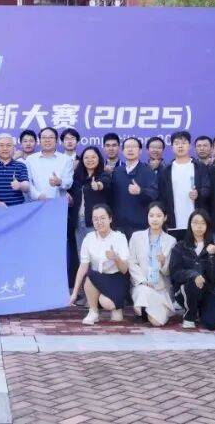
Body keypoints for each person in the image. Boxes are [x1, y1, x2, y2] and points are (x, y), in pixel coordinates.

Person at [70, 204, 130, 325]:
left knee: (110, 307)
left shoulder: (119, 237)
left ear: (110, 219)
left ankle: (116, 307)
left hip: (116, 278)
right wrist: (74, 293)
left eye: (103, 218)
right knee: (90, 275)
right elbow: (83, 267)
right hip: (97, 277)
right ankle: (93, 311)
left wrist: (116, 258)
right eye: (95, 219)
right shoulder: (89, 238)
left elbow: (124, 270)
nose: (99, 222)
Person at [169, 210, 215, 330]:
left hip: (207, 290)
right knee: (193, 282)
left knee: (214, 323)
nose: (199, 226)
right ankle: (190, 315)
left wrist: (211, 256)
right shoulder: (180, 246)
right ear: (190, 225)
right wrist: (194, 275)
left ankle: (201, 310)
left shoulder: (213, 248)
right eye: (195, 222)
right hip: (186, 289)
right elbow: (175, 273)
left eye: (203, 223)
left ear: (207, 225)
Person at [68, 147, 111, 287]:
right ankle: (86, 289)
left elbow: (104, 183)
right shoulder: (76, 177)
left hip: (95, 223)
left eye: (93, 157)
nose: (90, 160)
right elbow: (69, 192)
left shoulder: (104, 175)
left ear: (99, 159)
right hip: (78, 222)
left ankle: (100, 288)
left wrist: (97, 185)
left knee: (97, 257)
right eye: (86, 157)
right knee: (83, 257)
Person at [128, 202, 177, 326]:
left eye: (159, 216)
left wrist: (163, 261)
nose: (155, 219)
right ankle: (143, 307)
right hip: (142, 286)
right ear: (147, 217)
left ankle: (145, 309)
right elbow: (132, 262)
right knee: (143, 292)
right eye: (151, 215)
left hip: (161, 289)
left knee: (157, 322)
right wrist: (143, 281)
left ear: (165, 218)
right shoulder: (136, 237)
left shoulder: (171, 241)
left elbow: (168, 271)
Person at [157, 131, 210, 239]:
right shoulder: (166, 170)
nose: (180, 146)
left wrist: (198, 193)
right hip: (173, 224)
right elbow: (161, 196)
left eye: (184, 143)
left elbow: (208, 189)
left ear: (189, 146)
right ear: (172, 147)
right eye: (176, 143)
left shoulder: (200, 167)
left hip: (196, 223)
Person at [110, 137, 158, 238]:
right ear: (123, 151)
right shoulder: (117, 171)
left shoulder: (147, 171)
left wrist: (141, 191)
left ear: (140, 151)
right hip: (118, 226)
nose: (130, 150)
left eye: (133, 147)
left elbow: (155, 194)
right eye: (127, 147)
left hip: (140, 226)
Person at [25, 127, 74, 203]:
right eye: (44, 137)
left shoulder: (66, 159)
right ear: (39, 140)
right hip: (36, 204)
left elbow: (69, 182)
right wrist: (38, 196)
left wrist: (60, 182)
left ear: (56, 140)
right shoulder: (30, 159)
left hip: (58, 204)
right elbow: (28, 183)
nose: (47, 140)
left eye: (51, 137)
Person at [0, 134, 29, 206]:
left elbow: (26, 187)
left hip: (17, 208)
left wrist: (20, 185)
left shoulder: (21, 166)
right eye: (1, 145)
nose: (5, 148)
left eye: (8, 145)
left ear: (14, 148)